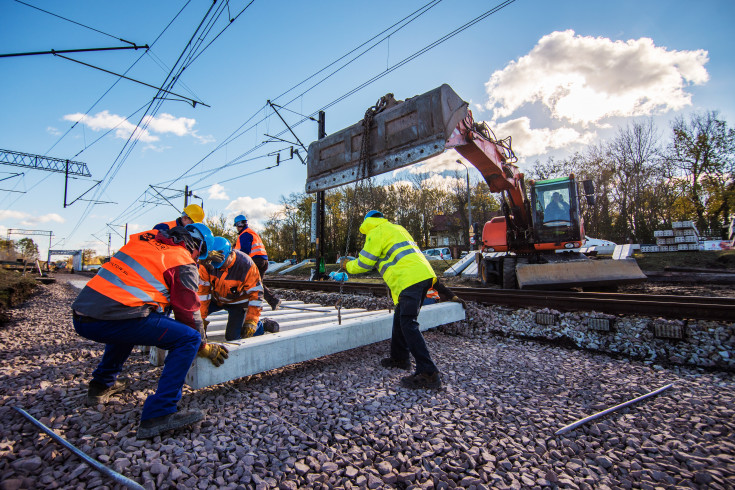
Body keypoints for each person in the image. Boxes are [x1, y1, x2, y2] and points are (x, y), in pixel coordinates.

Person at [71, 223, 229, 440]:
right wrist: (203, 345)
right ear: (198, 246)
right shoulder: (182, 260)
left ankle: (101, 385)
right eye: (199, 254)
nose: (197, 259)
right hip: (113, 317)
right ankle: (160, 413)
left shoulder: (145, 239)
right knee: (188, 339)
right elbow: (189, 313)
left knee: (132, 319)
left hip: (83, 315)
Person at [341, 210, 449, 390]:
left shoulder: (375, 232)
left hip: (408, 280)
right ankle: (399, 359)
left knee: (408, 323)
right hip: (424, 275)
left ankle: (428, 373)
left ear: (367, 222)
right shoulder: (398, 228)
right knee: (401, 318)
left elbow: (365, 263)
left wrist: (347, 266)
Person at [200, 236, 279, 341]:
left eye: (221, 263)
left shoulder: (246, 265)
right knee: (193, 318)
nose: (218, 267)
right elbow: (202, 293)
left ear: (231, 253)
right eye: (215, 263)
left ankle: (262, 326)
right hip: (216, 299)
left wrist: (251, 321)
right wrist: (200, 319)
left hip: (238, 303)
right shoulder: (208, 264)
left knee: (233, 337)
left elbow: (256, 294)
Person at [233, 214, 282, 311]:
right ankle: (271, 301)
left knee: (252, 282)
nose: (237, 229)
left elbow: (244, 252)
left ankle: (271, 301)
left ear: (239, 225)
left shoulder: (245, 235)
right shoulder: (252, 233)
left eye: (236, 226)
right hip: (263, 261)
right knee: (258, 283)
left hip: (255, 261)